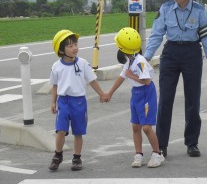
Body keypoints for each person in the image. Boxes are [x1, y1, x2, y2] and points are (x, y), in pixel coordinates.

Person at [143, 0, 207, 158]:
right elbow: (156, 35)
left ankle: (192, 143)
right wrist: (145, 59)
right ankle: (161, 144)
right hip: (170, 54)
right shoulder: (166, 8)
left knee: (193, 100)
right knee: (165, 100)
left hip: (192, 54)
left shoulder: (199, 11)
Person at [102, 27, 164, 168]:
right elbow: (121, 77)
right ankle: (139, 154)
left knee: (146, 127)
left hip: (146, 93)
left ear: (124, 48)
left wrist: (132, 76)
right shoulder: (129, 61)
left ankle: (157, 154)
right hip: (136, 94)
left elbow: (147, 81)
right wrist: (109, 93)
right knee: (136, 126)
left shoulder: (140, 61)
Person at [48, 29, 106, 171]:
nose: (75, 48)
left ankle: (77, 157)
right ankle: (58, 155)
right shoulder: (56, 66)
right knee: (60, 130)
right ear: (61, 50)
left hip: (79, 102)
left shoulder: (83, 63)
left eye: (75, 44)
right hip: (63, 102)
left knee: (78, 132)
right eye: (70, 46)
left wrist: (102, 94)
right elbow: (55, 85)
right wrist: (53, 102)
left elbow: (92, 81)